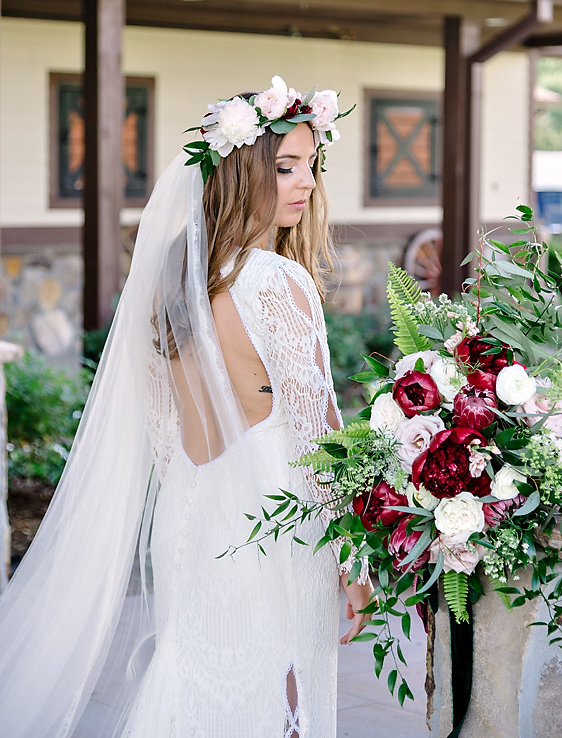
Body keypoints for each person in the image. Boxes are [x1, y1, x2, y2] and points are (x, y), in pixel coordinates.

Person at [0, 76, 373, 737]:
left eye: (311, 167)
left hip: (191, 512)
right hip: (276, 514)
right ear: (239, 172)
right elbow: (322, 438)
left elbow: (165, 435)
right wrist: (356, 559)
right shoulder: (280, 281)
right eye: (285, 167)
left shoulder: (171, 279)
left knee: (191, 678)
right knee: (282, 691)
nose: (306, 184)